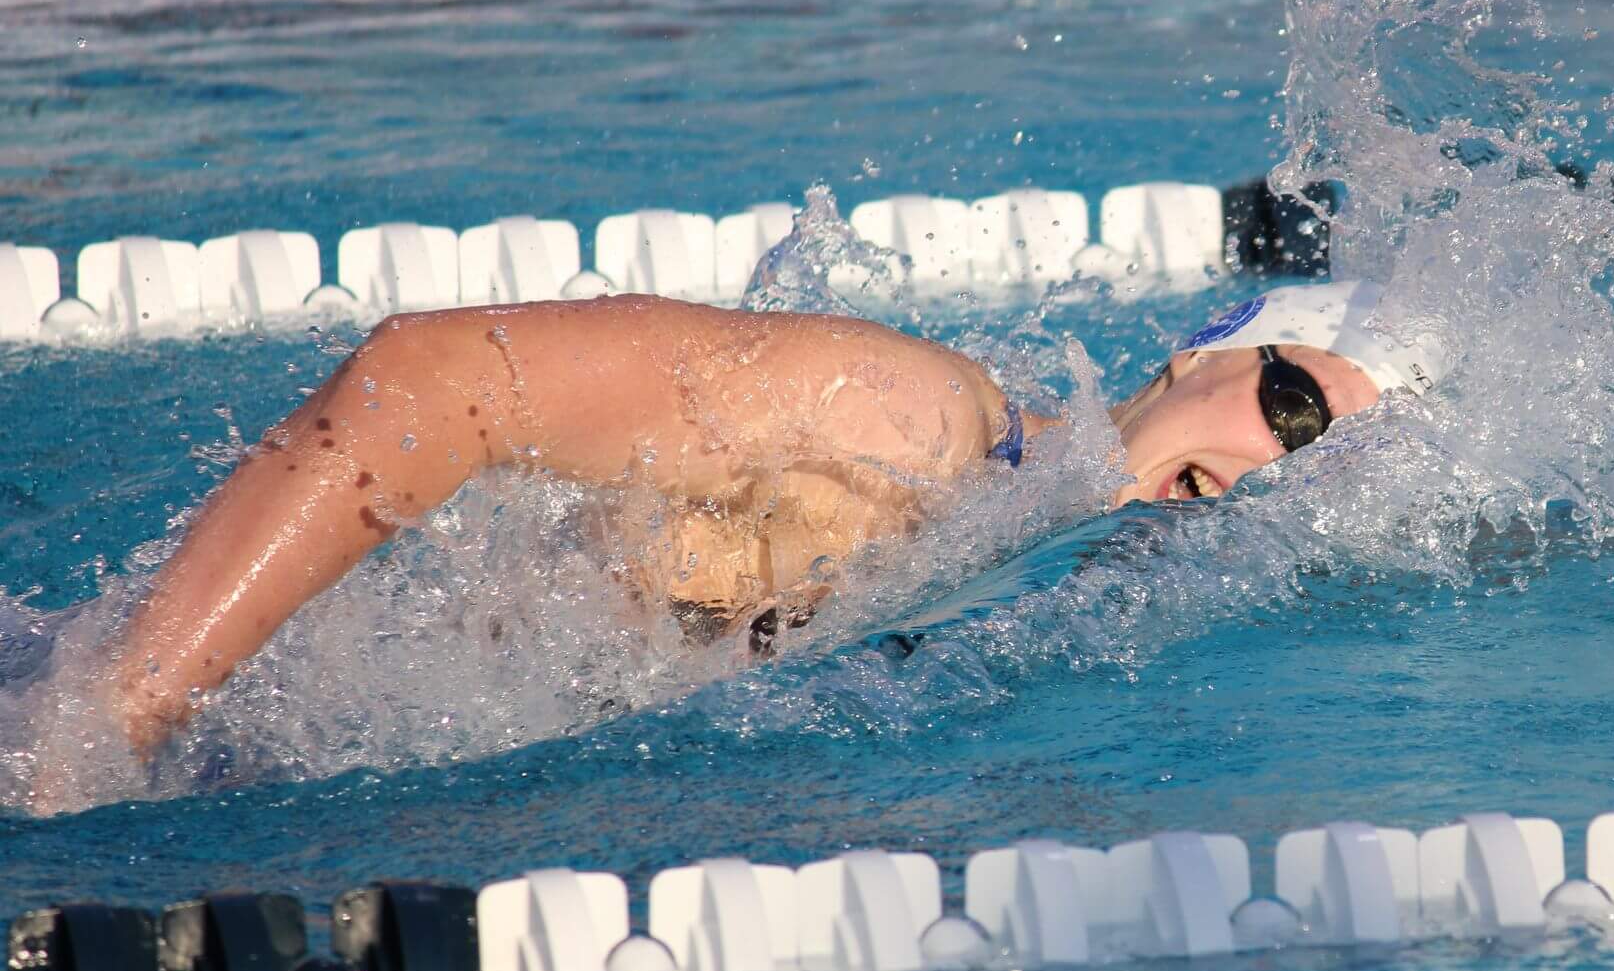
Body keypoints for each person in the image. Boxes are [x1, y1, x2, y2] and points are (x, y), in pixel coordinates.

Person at [106, 279, 1443, 759]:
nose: (1278, 471)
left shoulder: (1008, 553)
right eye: (1296, 413)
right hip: (217, 735)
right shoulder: (923, 425)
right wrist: (130, 710)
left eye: (1319, 474)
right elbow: (440, 378)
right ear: (1210, 354)